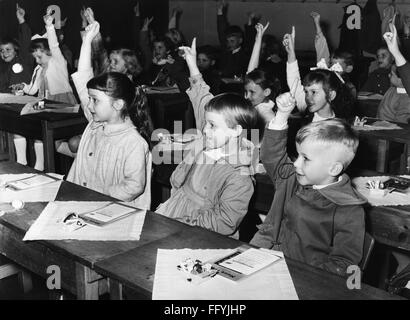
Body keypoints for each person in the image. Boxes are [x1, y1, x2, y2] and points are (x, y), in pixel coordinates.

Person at [250, 92, 366, 276]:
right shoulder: (293, 178)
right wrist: (281, 115)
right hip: (262, 258)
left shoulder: (348, 209)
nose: (296, 163)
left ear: (334, 169)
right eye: (298, 156)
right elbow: (272, 156)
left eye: (306, 158)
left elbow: (342, 264)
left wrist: (304, 276)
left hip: (302, 276)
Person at [155, 38, 258, 237]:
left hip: (201, 227)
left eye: (212, 125)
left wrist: (181, 223)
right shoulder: (212, 136)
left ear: (236, 130)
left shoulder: (239, 175)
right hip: (177, 208)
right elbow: (201, 95)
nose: (205, 129)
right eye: (207, 123)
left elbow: (224, 221)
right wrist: (192, 64)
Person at [67, 21, 152, 210]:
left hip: (112, 211)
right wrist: (87, 40)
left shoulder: (133, 142)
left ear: (118, 104)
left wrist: (98, 194)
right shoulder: (96, 124)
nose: (88, 105)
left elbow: (134, 186)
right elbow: (83, 77)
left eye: (94, 100)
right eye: (90, 99)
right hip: (82, 204)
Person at [12, 8, 77, 171]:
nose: (36, 60)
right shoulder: (38, 69)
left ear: (49, 52)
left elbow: (54, 45)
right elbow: (33, 90)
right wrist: (23, 87)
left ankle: (33, 166)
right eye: (34, 57)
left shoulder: (58, 63)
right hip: (47, 106)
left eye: (39, 56)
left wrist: (49, 26)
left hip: (63, 104)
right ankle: (32, 166)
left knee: (29, 112)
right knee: (27, 122)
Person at [284, 26, 356, 122]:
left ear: (330, 95)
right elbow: (294, 81)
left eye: (314, 92)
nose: (308, 97)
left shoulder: (338, 125)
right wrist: (291, 53)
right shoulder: (306, 109)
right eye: (306, 92)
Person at [246, 22, 281, 124]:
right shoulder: (256, 107)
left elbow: (255, 139)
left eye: (252, 92)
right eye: (246, 92)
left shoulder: (265, 116)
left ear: (266, 92)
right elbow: (251, 70)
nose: (246, 97)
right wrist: (258, 39)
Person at [0, 4, 33, 93]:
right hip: (8, 102)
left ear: (16, 50)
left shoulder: (23, 58)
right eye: (1, 50)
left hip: (26, 100)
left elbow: (26, 41)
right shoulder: (2, 67)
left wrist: (21, 21)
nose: (4, 53)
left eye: (8, 49)